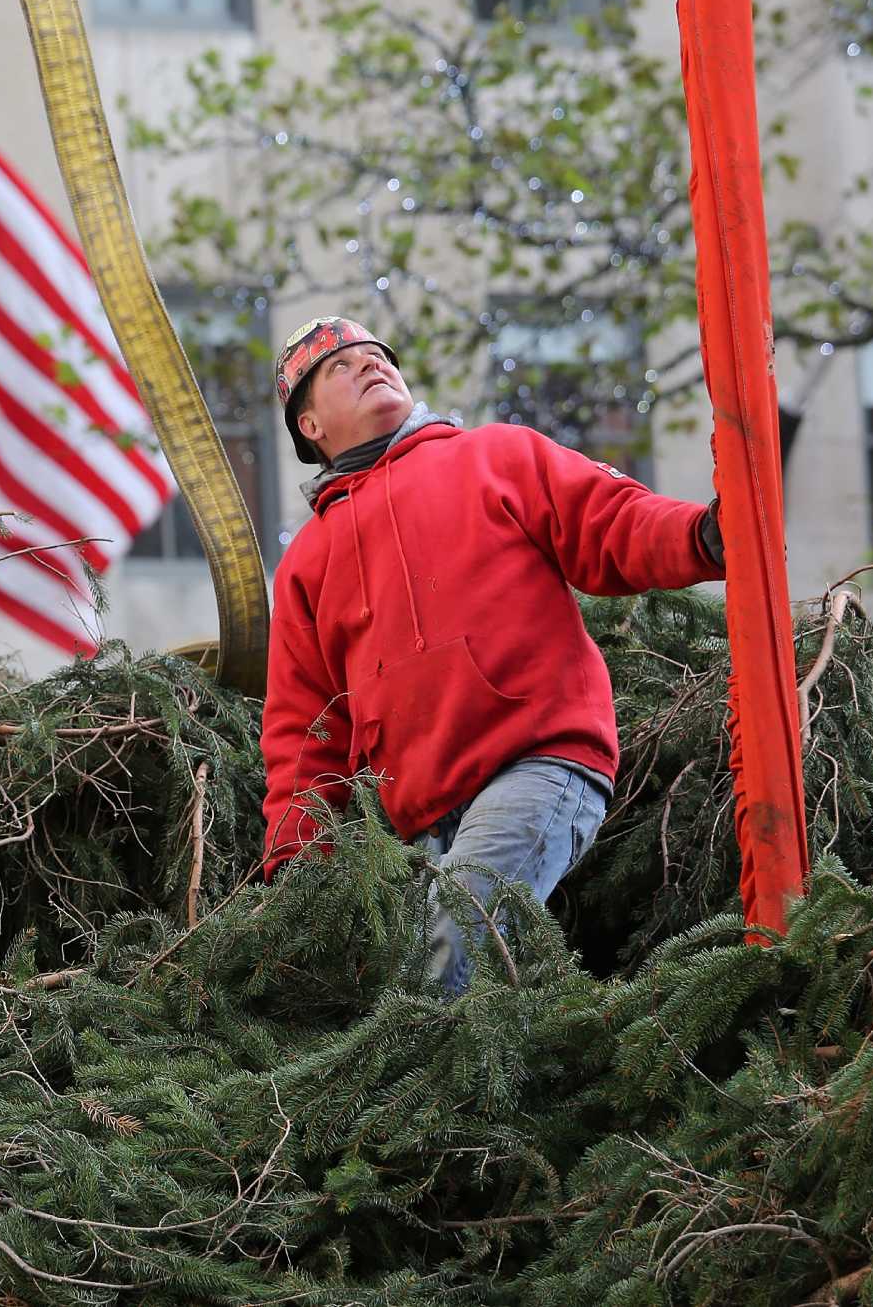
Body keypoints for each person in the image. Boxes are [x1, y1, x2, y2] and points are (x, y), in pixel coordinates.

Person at [260, 316, 725, 993]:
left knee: (449, 941)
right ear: (310, 426)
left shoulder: (496, 455)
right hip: (420, 822)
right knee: (433, 974)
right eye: (340, 367)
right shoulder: (307, 562)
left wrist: (702, 535)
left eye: (377, 357)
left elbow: (612, 520)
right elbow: (305, 735)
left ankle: (420, 1100)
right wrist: (299, 881)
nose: (370, 367)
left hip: (537, 763)